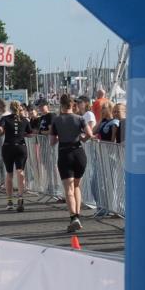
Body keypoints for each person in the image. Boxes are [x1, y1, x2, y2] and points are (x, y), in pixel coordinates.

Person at [50, 94, 94, 233]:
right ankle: (78, 216)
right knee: (76, 186)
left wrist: (59, 136)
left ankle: (73, 217)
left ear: (61, 105)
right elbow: (89, 134)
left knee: (68, 189)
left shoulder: (56, 120)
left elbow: (52, 142)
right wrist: (82, 138)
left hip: (65, 153)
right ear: (72, 105)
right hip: (79, 153)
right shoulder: (80, 118)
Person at [0, 100, 32, 212]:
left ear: (10, 108)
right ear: (19, 108)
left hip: (8, 147)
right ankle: (20, 196)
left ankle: (10, 201)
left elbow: (0, 131)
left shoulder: (5, 119)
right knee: (20, 172)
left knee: (9, 174)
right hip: (21, 146)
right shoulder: (24, 119)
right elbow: (29, 133)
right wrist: (22, 133)